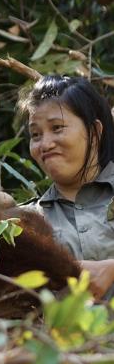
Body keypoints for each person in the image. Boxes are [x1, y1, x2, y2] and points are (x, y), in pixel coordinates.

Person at [17, 75, 114, 300]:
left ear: (95, 132)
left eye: (57, 128)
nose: (45, 144)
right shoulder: (26, 222)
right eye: (36, 134)